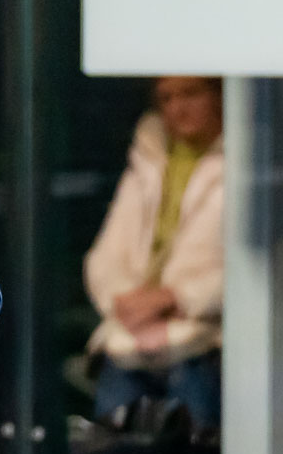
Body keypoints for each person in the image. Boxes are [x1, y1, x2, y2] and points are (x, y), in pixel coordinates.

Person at [83, 76, 225, 428]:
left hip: (205, 344)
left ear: (219, 95)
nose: (178, 108)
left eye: (191, 94)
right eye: (166, 99)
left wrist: (177, 299)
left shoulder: (250, 162)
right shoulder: (148, 160)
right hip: (130, 341)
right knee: (111, 449)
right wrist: (128, 304)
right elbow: (103, 260)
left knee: (195, 453)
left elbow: (258, 266)